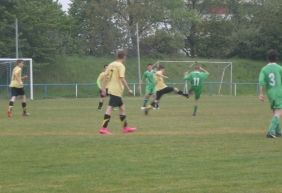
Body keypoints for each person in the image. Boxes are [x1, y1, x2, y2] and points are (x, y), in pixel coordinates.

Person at [99, 49, 137, 135]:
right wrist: (129, 89)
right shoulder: (121, 66)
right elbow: (122, 78)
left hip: (112, 89)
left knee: (122, 108)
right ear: (124, 57)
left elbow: (105, 77)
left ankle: (125, 127)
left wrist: (103, 88)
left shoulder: (111, 64)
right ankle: (103, 128)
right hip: (116, 90)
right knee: (110, 108)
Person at [258, 49, 282, 138]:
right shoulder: (280, 68)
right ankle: (271, 131)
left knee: (275, 111)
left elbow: (261, 82)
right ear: (277, 58)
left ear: (267, 58)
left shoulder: (264, 69)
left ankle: (278, 131)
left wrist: (261, 94)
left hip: (270, 93)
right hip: (279, 92)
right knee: (279, 112)